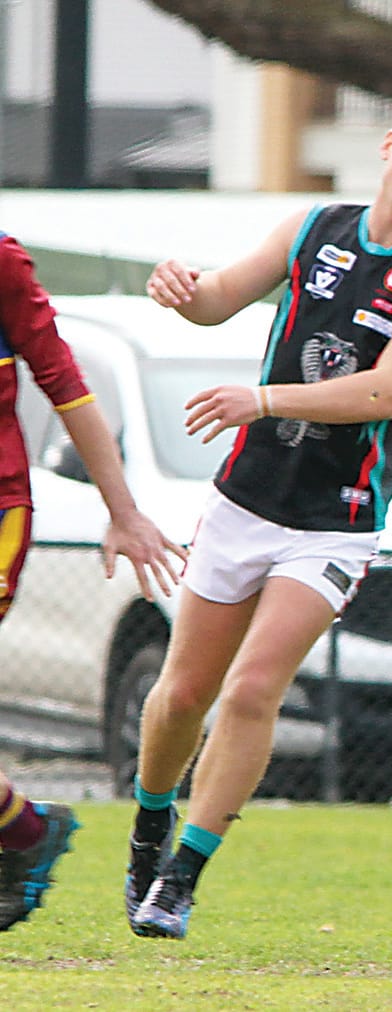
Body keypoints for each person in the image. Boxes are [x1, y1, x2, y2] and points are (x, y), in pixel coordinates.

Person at [124, 84, 392, 941]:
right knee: (182, 695)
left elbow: (384, 390)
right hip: (246, 498)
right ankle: (148, 826)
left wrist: (264, 398)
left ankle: (182, 877)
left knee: (254, 689)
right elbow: (216, 298)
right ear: (391, 144)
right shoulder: (312, 228)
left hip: (335, 519)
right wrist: (179, 287)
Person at [0, 231, 186, 930]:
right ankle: (25, 831)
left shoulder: (3, 262)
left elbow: (66, 385)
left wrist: (124, 511)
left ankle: (25, 833)